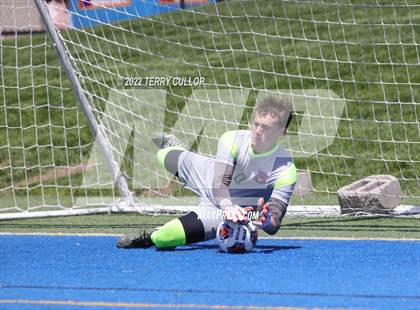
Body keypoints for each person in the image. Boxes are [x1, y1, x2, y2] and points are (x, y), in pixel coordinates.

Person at [117, 96, 297, 249]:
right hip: (209, 177)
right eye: (256, 124)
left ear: (282, 131)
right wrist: (228, 206)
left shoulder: (286, 169)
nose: (257, 131)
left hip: (224, 213)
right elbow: (220, 187)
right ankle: (184, 152)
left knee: (165, 238)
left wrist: (266, 222)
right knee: (163, 155)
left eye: (265, 128)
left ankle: (149, 237)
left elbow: (275, 224)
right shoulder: (231, 139)